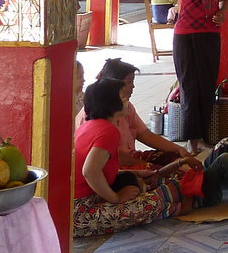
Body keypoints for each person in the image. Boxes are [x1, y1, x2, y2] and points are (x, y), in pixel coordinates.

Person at [73, 79, 187, 237]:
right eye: (122, 97)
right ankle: (177, 203)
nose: (127, 100)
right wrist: (116, 198)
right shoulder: (108, 131)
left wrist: (136, 173)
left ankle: (176, 193)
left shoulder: (90, 126)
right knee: (149, 204)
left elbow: (98, 168)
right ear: (110, 104)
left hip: (79, 204)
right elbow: (90, 171)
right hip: (79, 214)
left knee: (145, 183)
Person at [76, 58, 194, 169]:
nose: (133, 86)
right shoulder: (96, 117)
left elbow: (145, 134)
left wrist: (179, 150)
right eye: (129, 82)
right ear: (114, 84)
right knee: (172, 175)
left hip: (129, 158)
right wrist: (150, 167)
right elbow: (112, 160)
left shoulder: (125, 107)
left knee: (174, 159)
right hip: (112, 167)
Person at [175, 0, 228, 153]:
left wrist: (222, 13)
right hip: (187, 37)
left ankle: (204, 136)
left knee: (207, 87)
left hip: (210, 35)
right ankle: (192, 140)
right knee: (190, 87)